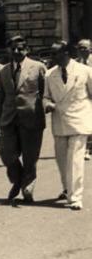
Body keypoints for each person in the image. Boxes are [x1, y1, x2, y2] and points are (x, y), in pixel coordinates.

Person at [0, 35, 46, 203]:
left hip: (31, 118)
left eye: (20, 48)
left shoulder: (38, 67)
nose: (16, 51)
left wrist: (44, 110)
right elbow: (0, 99)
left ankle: (28, 186)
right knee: (6, 153)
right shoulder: (3, 71)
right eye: (13, 48)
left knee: (30, 156)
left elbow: (45, 93)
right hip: (9, 119)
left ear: (27, 50)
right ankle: (18, 179)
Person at [43, 40, 92, 211]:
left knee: (76, 160)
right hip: (60, 122)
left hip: (80, 121)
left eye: (55, 53)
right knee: (62, 161)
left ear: (66, 53)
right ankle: (68, 188)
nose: (52, 56)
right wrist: (47, 104)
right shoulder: (49, 75)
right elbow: (45, 97)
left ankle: (75, 197)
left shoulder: (85, 71)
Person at [76, 39, 92, 161]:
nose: (82, 50)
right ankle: (85, 149)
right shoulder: (76, 64)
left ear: (90, 49)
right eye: (80, 47)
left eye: (84, 48)